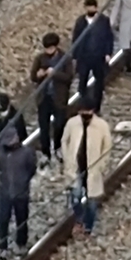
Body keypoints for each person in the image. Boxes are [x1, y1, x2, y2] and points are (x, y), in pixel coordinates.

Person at [61, 96, 113, 237]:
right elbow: (64, 141)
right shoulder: (72, 123)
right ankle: (79, 220)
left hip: (93, 168)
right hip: (75, 167)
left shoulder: (101, 126)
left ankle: (88, 227)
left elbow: (107, 147)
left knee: (91, 201)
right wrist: (67, 158)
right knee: (75, 196)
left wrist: (102, 165)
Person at [31, 32, 74, 164]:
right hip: (44, 98)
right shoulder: (40, 59)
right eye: (46, 49)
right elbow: (32, 76)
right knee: (43, 126)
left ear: (56, 47)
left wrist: (55, 74)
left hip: (59, 97)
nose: (48, 51)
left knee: (59, 124)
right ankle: (45, 153)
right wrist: (39, 75)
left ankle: (58, 147)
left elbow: (69, 77)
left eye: (51, 48)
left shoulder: (65, 58)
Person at [0, 126, 37, 257]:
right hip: (4, 192)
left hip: (21, 192)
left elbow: (32, 169)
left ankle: (21, 243)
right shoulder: (0, 153)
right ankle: (2, 246)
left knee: (22, 219)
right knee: (3, 219)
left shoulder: (26, 153)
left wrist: (24, 181)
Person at [71, 0, 114, 113]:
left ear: (96, 7)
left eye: (92, 7)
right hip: (84, 57)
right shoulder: (80, 22)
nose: (90, 9)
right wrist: (75, 56)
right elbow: (75, 39)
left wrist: (108, 53)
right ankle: (83, 104)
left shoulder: (103, 20)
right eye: (88, 7)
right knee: (82, 82)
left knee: (99, 82)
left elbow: (108, 37)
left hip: (98, 56)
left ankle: (96, 106)